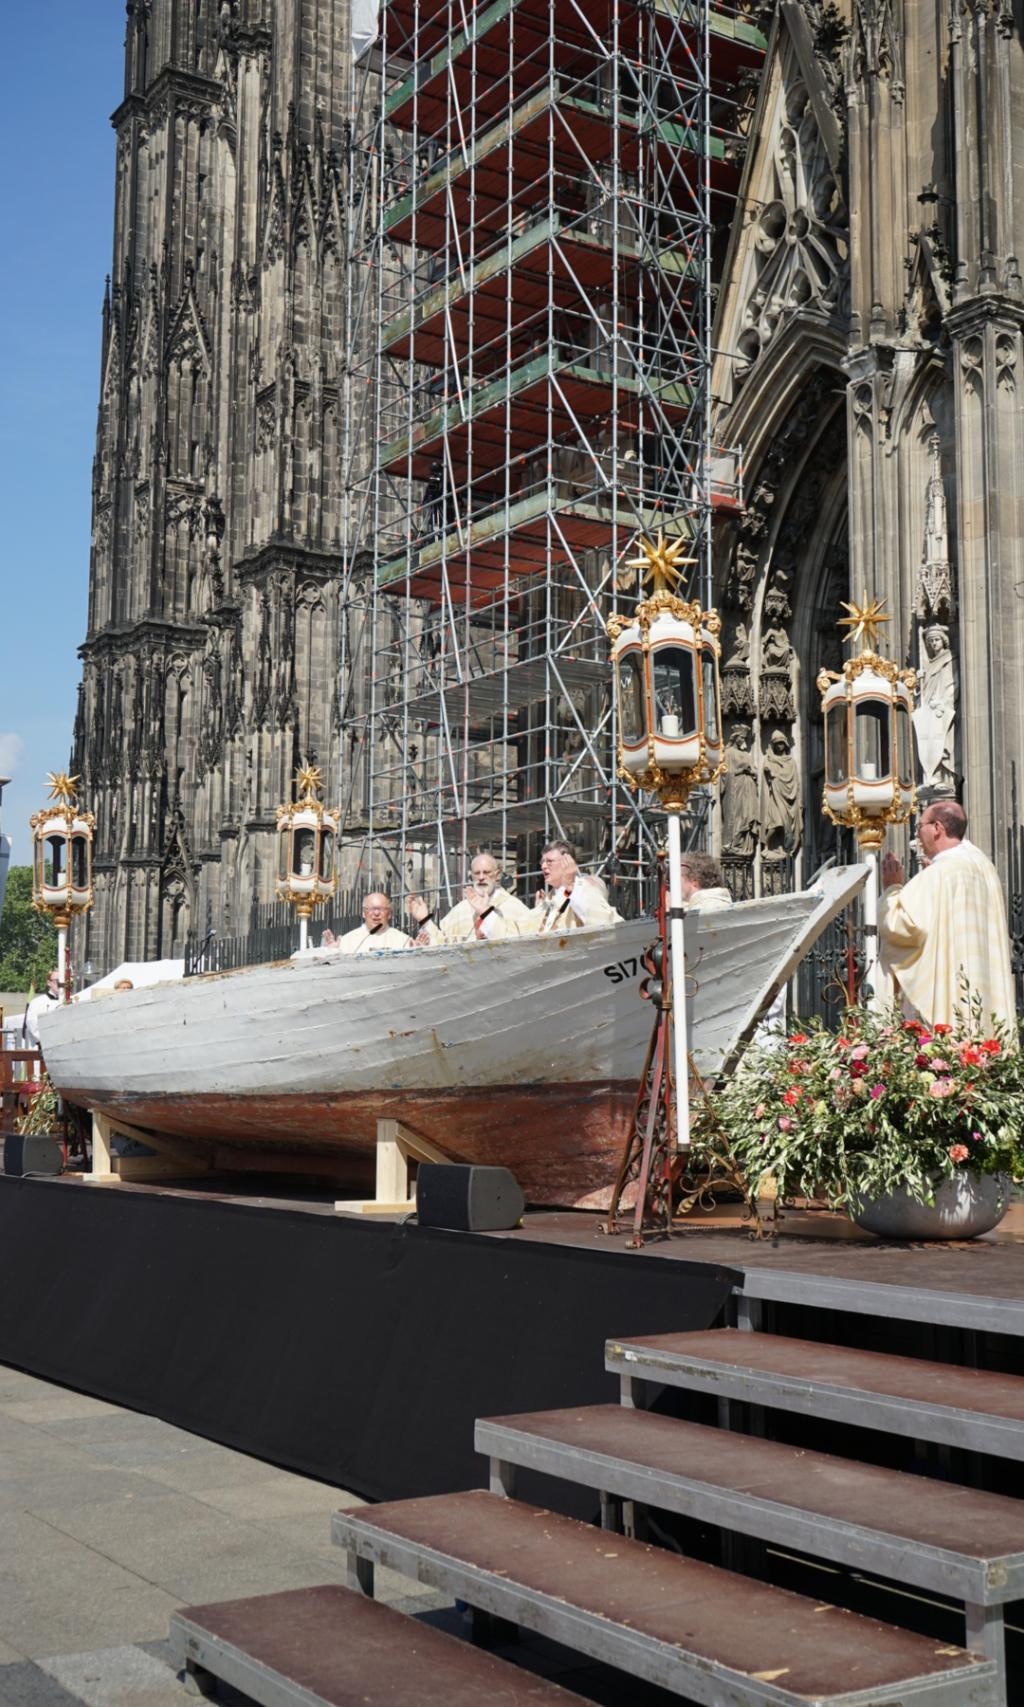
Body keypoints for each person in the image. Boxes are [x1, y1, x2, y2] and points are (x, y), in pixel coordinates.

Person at [878, 800, 1015, 1031]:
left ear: (937, 828)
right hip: (980, 987)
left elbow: (903, 926)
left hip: (950, 996)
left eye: (919, 827)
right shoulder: (982, 866)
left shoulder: (941, 873)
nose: (917, 836)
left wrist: (892, 889)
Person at [406, 851, 533, 944]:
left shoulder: (514, 907)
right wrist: (424, 920)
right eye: (477, 873)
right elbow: (442, 945)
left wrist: (487, 915)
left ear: (497, 875)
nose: (481, 877)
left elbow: (525, 946)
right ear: (471, 876)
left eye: (486, 872)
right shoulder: (460, 910)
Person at [531, 841, 621, 933]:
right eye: (542, 862)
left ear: (567, 862)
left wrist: (571, 886)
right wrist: (539, 910)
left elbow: (602, 922)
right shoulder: (549, 897)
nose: (543, 866)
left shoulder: (584, 888)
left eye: (549, 861)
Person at [323, 894, 413, 954]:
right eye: (371, 909)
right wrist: (332, 953)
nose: (376, 913)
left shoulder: (403, 940)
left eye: (381, 909)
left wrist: (419, 949)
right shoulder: (348, 940)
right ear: (363, 913)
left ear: (389, 914)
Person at [23, 970, 61, 1049]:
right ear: (48, 983)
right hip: (43, 1048)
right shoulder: (37, 1003)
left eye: (62, 981)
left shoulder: (69, 1001)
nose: (60, 984)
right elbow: (33, 1026)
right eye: (56, 981)